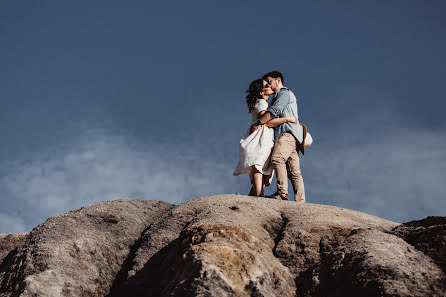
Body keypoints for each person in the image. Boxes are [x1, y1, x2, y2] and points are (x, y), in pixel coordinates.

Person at [234, 79, 298, 198]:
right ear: (261, 92)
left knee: (262, 168)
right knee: (258, 166)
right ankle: (260, 196)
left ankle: (251, 199)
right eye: (266, 85)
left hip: (265, 138)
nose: (269, 86)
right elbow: (266, 120)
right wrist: (287, 119)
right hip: (259, 138)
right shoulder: (261, 103)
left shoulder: (265, 103)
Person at [251, 71, 305, 202]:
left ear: (278, 80)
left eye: (270, 81)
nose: (268, 84)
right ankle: (300, 202)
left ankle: (282, 193)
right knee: (294, 171)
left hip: (287, 133)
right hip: (293, 135)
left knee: (277, 158)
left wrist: (259, 122)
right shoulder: (278, 96)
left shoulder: (284, 94)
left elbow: (275, 111)